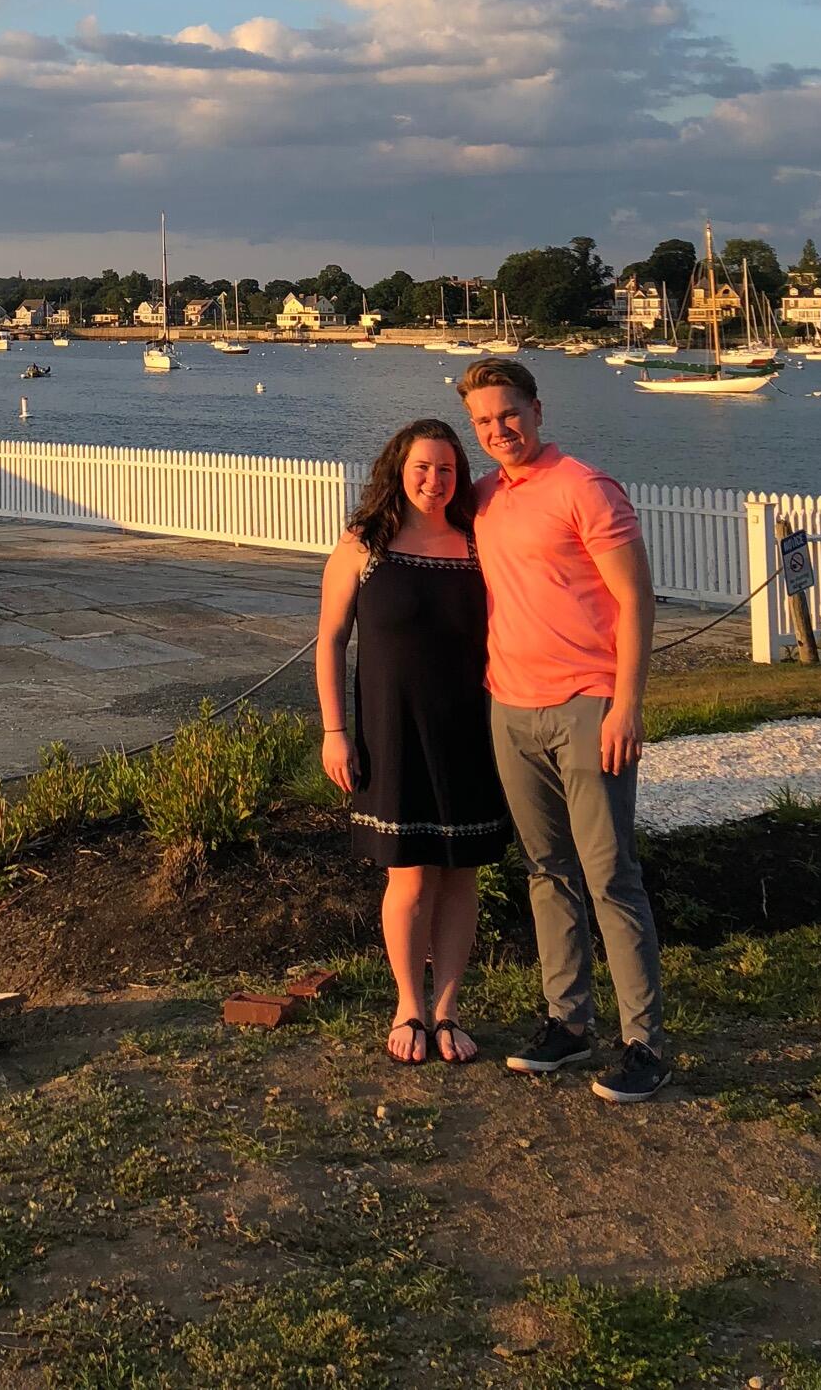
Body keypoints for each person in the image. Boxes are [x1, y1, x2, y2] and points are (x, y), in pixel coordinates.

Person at [456, 355, 668, 1105]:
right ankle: (567, 1024)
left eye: (508, 413)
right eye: (482, 420)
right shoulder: (482, 498)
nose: (497, 429)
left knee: (610, 875)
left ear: (537, 410)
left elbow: (637, 601)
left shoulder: (584, 486)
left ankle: (642, 1042)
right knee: (547, 872)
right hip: (509, 708)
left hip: (587, 704)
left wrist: (626, 704)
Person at [315, 419, 511, 1066]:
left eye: (446, 469)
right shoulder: (363, 545)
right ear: (397, 468)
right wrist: (333, 732)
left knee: (459, 878)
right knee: (408, 879)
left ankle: (448, 1010)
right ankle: (407, 1005)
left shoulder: (478, 543)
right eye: (422, 467)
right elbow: (329, 642)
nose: (433, 480)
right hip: (390, 731)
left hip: (469, 730)